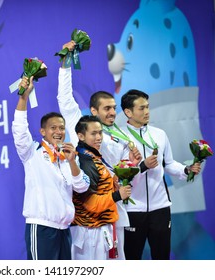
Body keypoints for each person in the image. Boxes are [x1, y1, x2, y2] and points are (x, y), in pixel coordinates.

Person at [57, 40, 141, 259]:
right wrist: (66, 63)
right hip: (88, 215)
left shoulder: (122, 136)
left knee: (117, 261)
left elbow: (125, 176)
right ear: (94, 110)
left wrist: (133, 165)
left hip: (113, 210)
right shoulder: (80, 124)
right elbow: (65, 99)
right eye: (107, 109)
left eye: (114, 108)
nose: (113, 113)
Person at [12, 76, 90, 260]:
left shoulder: (68, 155)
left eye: (62, 128)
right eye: (53, 128)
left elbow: (82, 186)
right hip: (41, 228)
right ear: (43, 132)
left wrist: (72, 162)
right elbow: (19, 130)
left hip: (64, 230)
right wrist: (23, 97)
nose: (58, 132)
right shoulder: (32, 152)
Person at [120, 89, 202, 260]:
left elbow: (169, 163)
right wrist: (142, 166)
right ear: (128, 112)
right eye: (141, 108)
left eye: (148, 107)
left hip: (160, 208)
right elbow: (117, 174)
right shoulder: (118, 138)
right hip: (132, 209)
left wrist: (186, 170)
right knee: (130, 259)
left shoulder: (159, 134)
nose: (147, 112)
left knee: (162, 258)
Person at [71, 115, 132, 260]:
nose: (99, 137)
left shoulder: (93, 156)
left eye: (100, 132)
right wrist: (117, 195)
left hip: (99, 228)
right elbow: (90, 203)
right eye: (93, 133)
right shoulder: (86, 161)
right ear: (81, 136)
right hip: (91, 232)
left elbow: (100, 188)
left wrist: (114, 184)